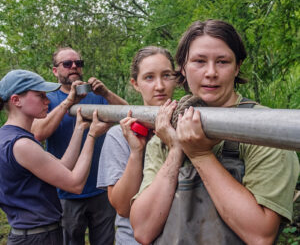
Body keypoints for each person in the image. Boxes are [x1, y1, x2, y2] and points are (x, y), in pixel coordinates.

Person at [130, 20, 300, 244]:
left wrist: (201, 154)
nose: (211, 73)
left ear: (237, 67)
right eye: (199, 61)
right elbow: (143, 230)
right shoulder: (168, 126)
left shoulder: (267, 129)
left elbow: (261, 235)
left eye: (222, 62)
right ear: (182, 67)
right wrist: (176, 149)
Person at [0, 69, 110, 245]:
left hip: (30, 234)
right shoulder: (22, 145)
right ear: (16, 100)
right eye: (40, 95)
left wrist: (80, 129)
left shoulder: (9, 136)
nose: (47, 100)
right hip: (38, 237)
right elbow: (75, 183)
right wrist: (92, 136)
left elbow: (63, 167)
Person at [31, 47, 128, 245]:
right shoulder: (47, 99)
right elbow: (38, 133)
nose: (74, 66)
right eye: (67, 64)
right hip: (65, 192)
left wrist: (106, 93)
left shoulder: (97, 95)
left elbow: (128, 112)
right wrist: (69, 101)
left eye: (78, 63)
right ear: (55, 71)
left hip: (101, 187)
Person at [97, 46, 177, 244]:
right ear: (135, 83)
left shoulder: (191, 126)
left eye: (166, 75)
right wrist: (136, 152)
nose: (159, 86)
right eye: (149, 77)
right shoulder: (119, 135)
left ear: (176, 78)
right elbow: (123, 208)